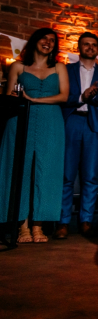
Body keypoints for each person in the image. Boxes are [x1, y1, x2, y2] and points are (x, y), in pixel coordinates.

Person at [0, 28, 68, 243]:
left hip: (51, 122)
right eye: (44, 38)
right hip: (20, 121)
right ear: (35, 41)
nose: (47, 42)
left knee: (47, 171)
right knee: (19, 171)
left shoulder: (59, 67)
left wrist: (35, 100)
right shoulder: (18, 67)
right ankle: (22, 227)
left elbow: (64, 96)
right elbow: (9, 97)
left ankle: (39, 225)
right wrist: (19, 97)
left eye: (52, 40)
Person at [56, 32, 98, 239]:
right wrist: (82, 96)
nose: (90, 47)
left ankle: (86, 221)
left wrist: (92, 96)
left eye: (93, 45)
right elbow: (62, 96)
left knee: (90, 176)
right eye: (86, 44)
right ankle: (63, 222)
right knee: (66, 175)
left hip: (94, 125)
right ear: (79, 47)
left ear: (97, 48)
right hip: (72, 120)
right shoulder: (67, 69)